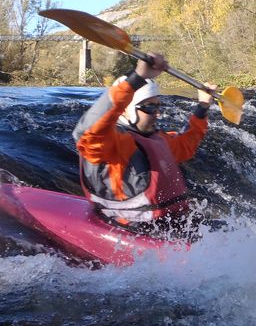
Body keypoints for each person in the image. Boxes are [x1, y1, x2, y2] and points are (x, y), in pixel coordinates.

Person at [72, 52, 216, 240]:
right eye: (148, 107)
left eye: (157, 106)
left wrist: (202, 107)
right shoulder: (109, 144)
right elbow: (86, 131)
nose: (157, 113)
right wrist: (137, 77)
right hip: (132, 230)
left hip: (174, 223)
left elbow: (186, 145)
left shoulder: (157, 138)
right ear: (126, 110)